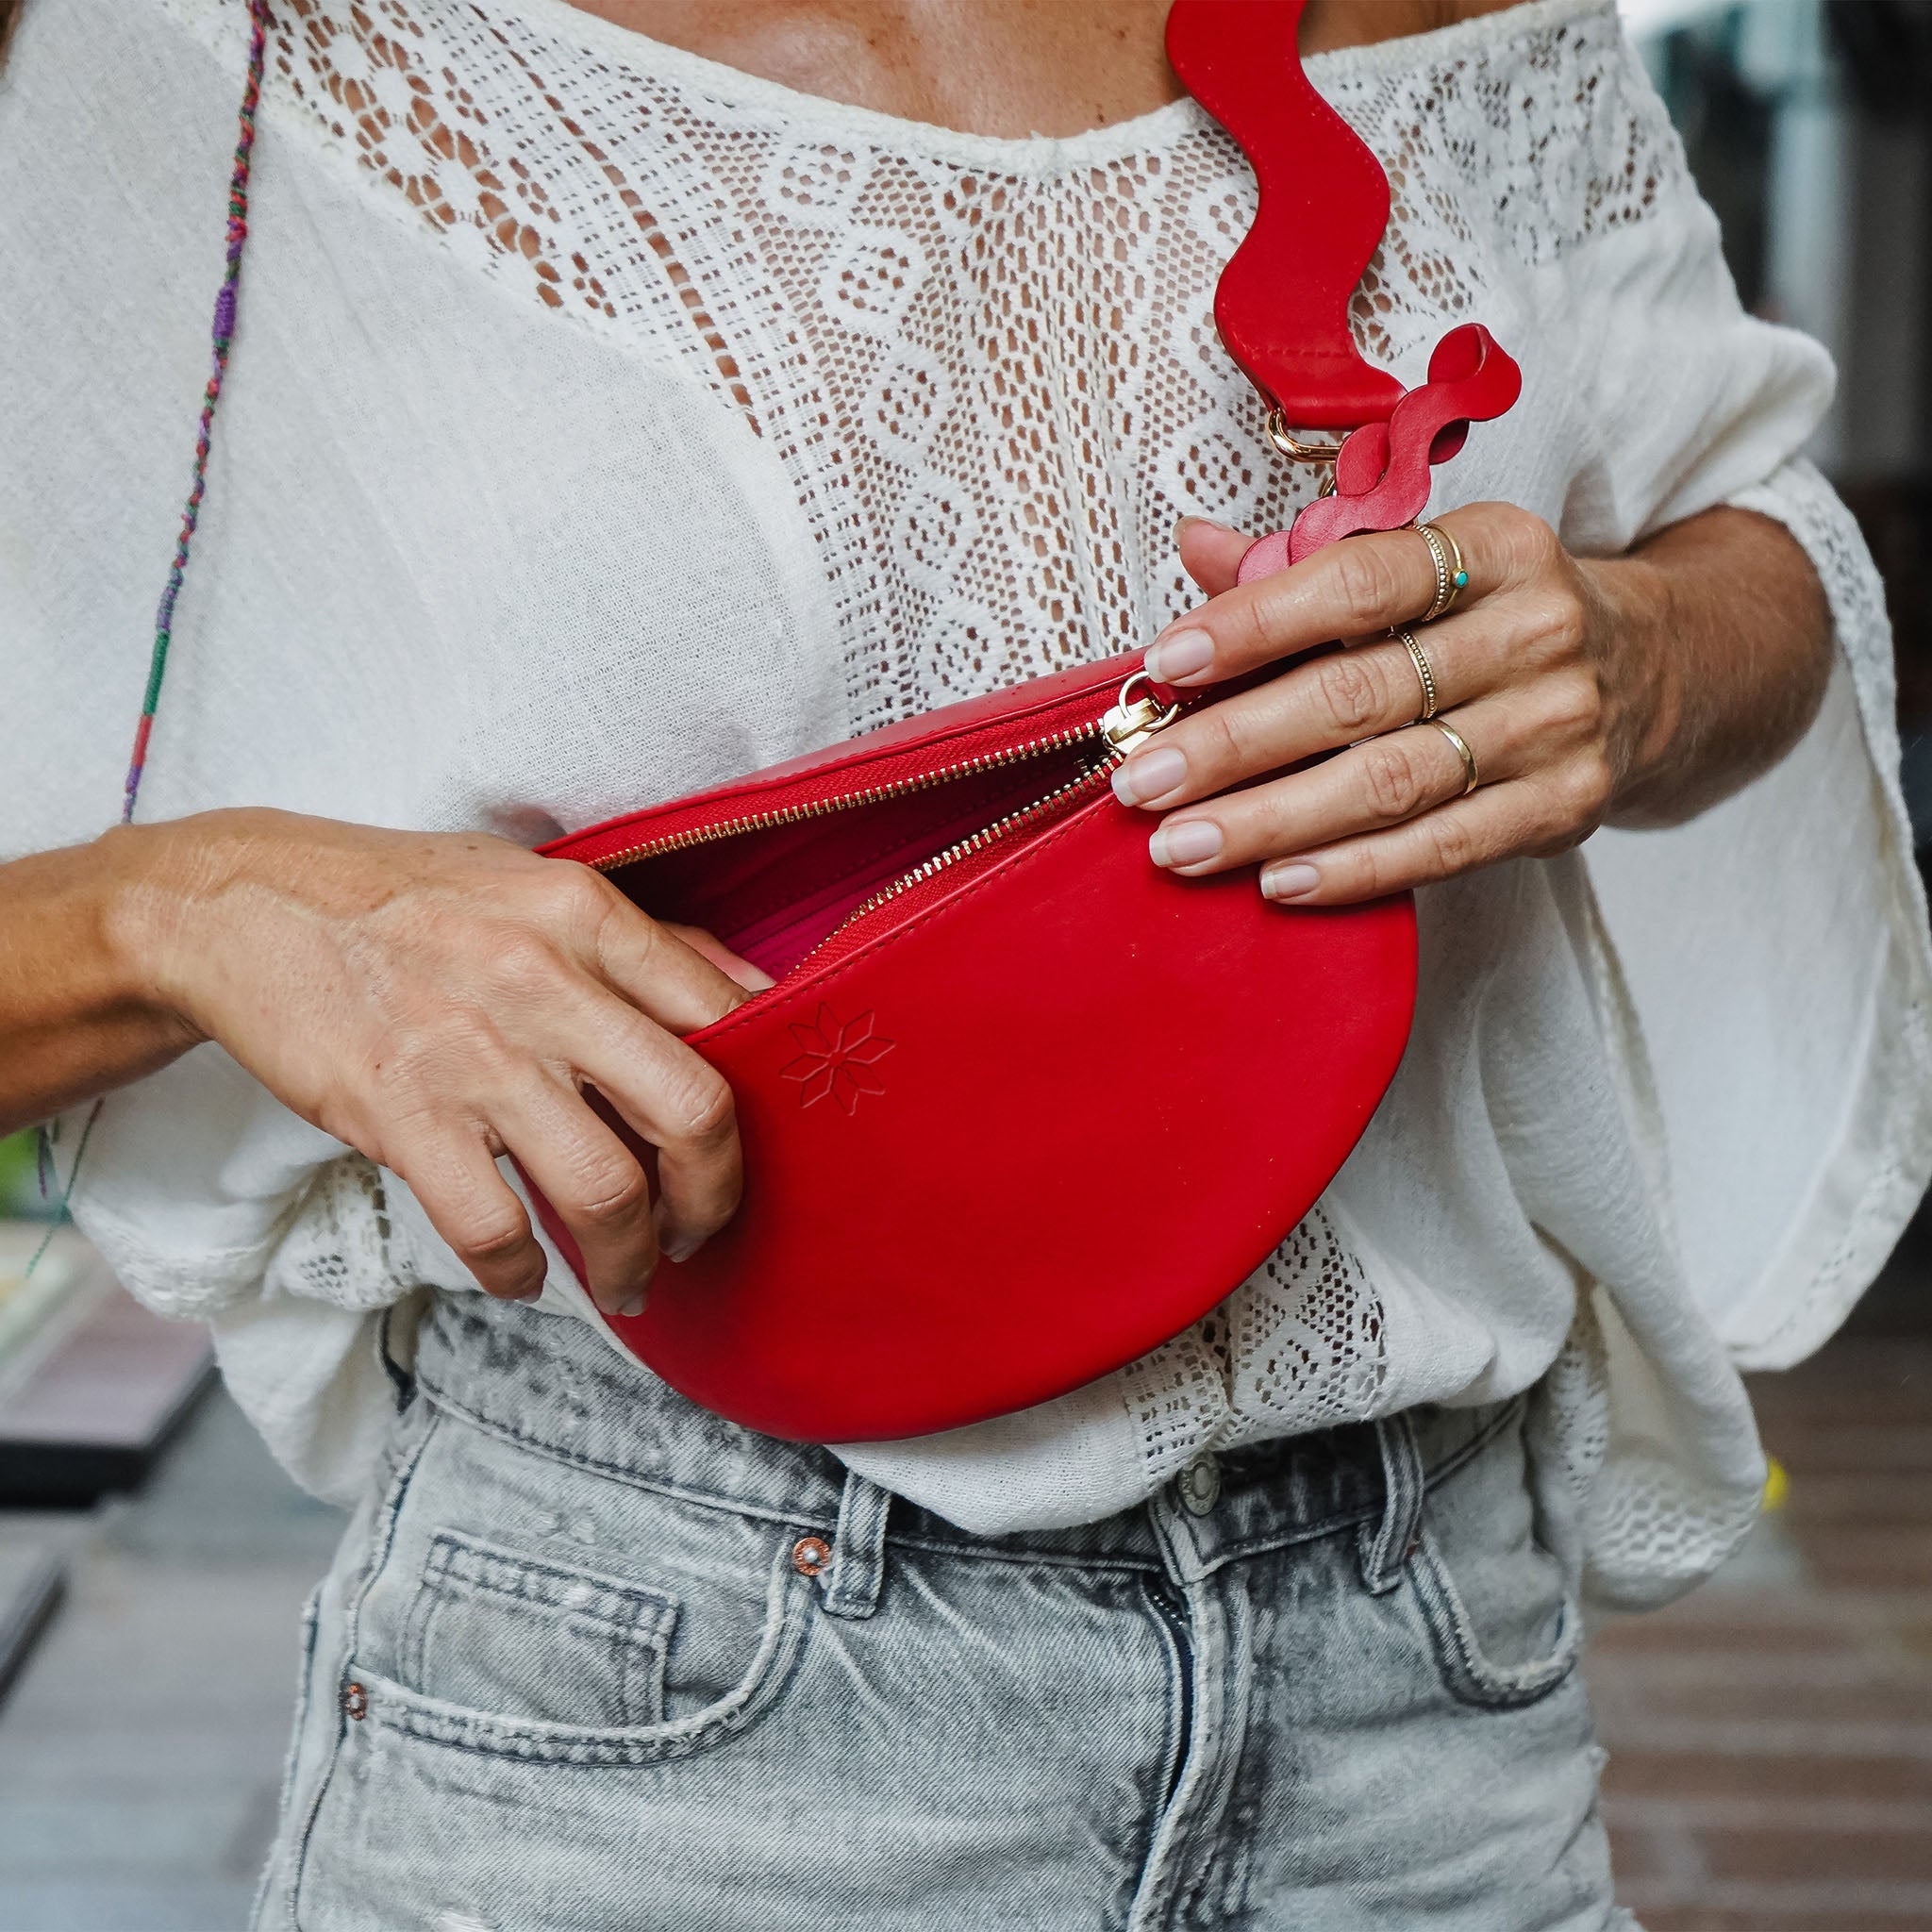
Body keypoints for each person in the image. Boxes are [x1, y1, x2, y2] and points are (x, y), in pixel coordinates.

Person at [3, 0, 1927, 1924]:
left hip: (1422, 1690)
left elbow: (1750, 530)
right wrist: (200, 904)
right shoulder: (224, 59)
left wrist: (1634, 654)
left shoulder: (1435, 17)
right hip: (660, 1708)